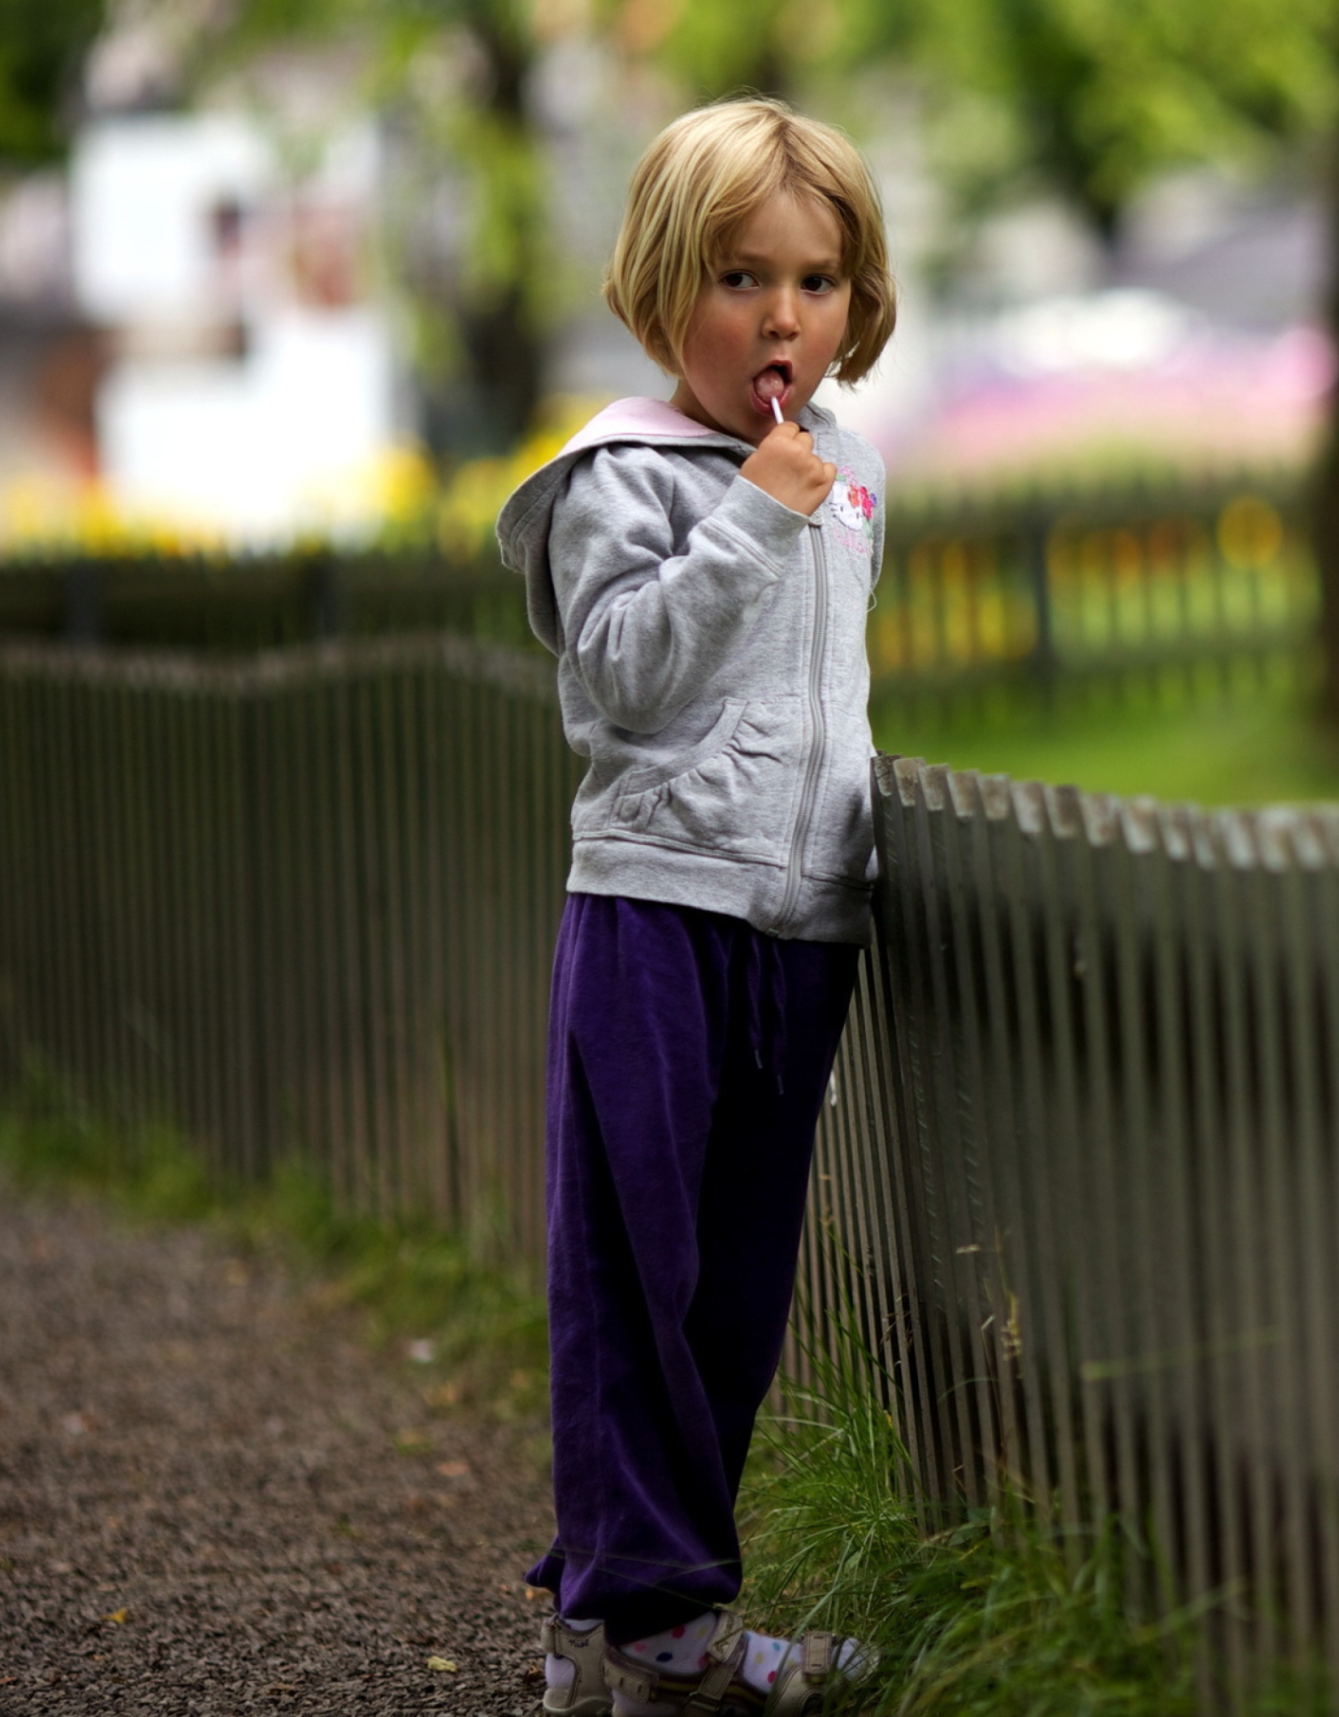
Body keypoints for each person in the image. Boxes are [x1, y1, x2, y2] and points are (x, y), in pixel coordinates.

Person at [493, 95, 896, 1717]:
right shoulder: (628, 479)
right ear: (666, 293)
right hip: (659, 910)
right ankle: (652, 1621)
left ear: (858, 303)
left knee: (737, 1281)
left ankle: (635, 1624)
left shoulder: (851, 471)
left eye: (818, 279)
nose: (782, 315)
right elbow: (620, 684)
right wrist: (748, 518)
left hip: (798, 930)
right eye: (740, 278)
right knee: (631, 1267)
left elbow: (822, 691)